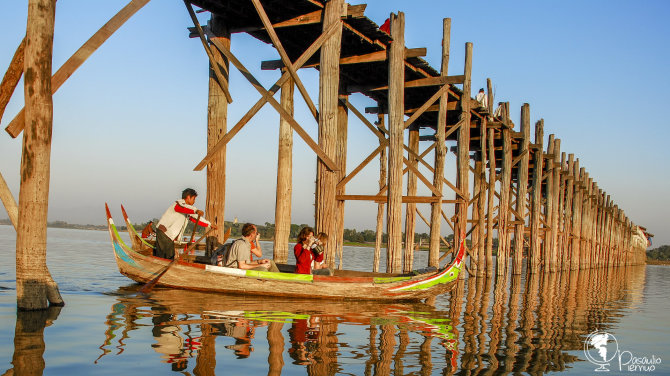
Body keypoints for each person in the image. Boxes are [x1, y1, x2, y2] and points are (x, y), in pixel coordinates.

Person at [154, 188, 215, 259]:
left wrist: (209, 224)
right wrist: (196, 210)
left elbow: (196, 218)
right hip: (164, 232)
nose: (194, 201)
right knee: (167, 256)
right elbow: (182, 208)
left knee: (168, 256)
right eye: (194, 199)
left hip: (168, 235)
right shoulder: (179, 204)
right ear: (188, 197)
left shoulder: (188, 210)